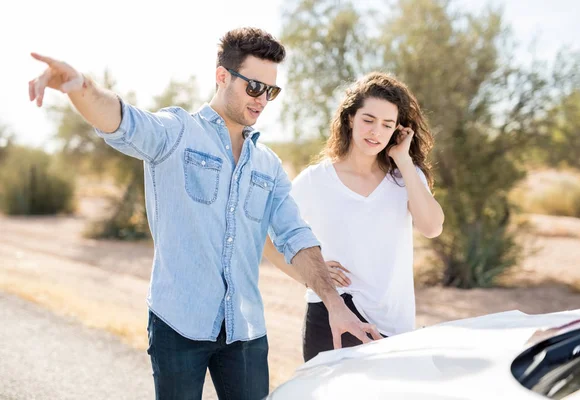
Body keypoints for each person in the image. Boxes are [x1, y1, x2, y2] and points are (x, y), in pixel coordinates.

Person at [28, 27, 382, 400]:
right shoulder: (176, 133)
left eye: (271, 91)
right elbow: (120, 120)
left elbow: (295, 236)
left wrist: (334, 304)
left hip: (245, 331)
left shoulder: (269, 165)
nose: (262, 100)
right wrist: (80, 86)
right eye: (254, 87)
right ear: (222, 76)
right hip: (178, 324)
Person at [263, 72, 444, 362]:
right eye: (368, 120)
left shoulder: (406, 177)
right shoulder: (315, 180)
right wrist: (309, 276)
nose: (376, 132)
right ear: (350, 118)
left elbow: (432, 227)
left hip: (394, 323)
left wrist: (405, 161)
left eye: (387, 125)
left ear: (399, 130)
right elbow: (265, 236)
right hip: (333, 317)